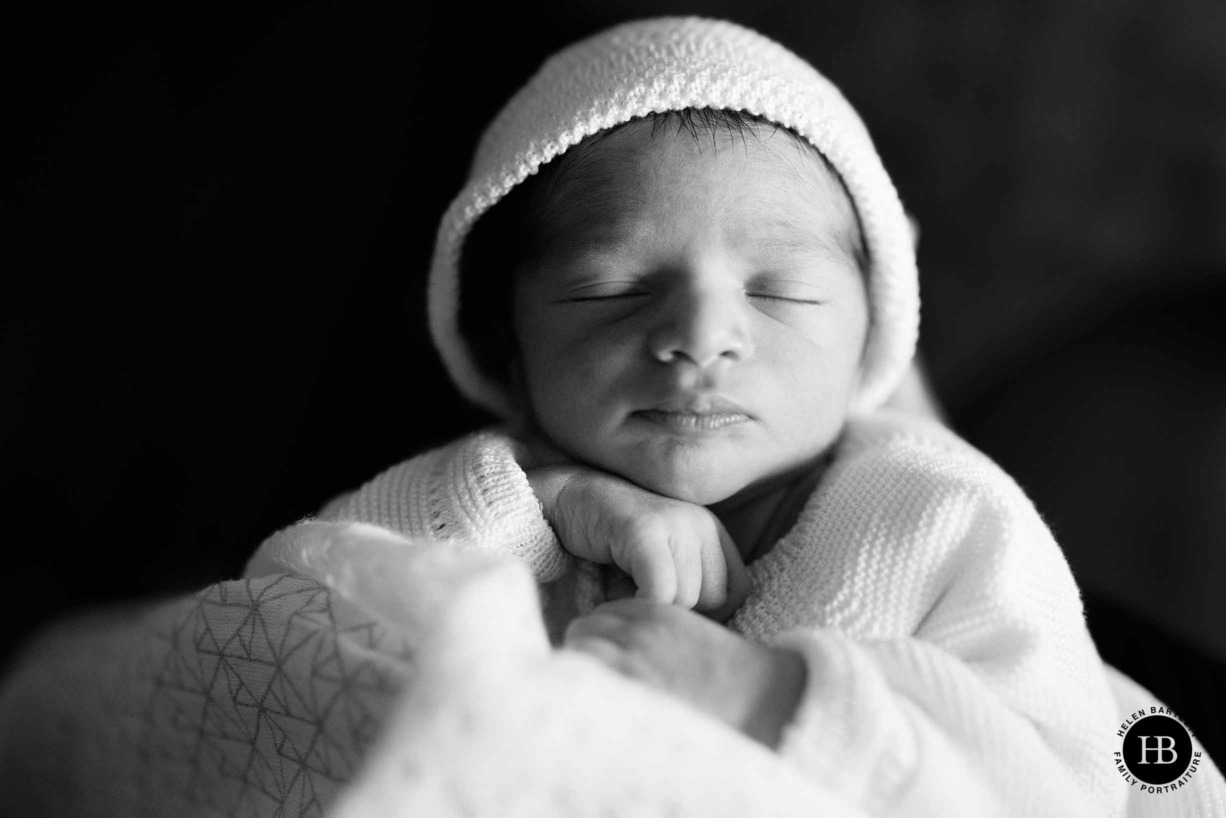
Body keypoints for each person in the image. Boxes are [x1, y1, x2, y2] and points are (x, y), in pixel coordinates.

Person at [315, 16, 1221, 816]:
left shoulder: (935, 514)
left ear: (874, 334)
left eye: (781, 292)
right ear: (505, 348)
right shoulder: (490, 498)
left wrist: (774, 701)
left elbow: (1054, 785)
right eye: (613, 288)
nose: (702, 337)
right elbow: (311, 599)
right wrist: (542, 504)